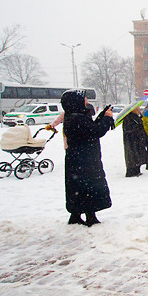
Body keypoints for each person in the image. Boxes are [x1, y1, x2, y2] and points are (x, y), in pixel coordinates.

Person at [61, 89, 114, 226]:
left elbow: (91, 127)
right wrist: (107, 118)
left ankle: (76, 215)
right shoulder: (77, 118)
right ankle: (90, 216)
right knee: (89, 187)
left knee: (78, 188)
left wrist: (102, 115)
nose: (86, 101)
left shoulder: (73, 116)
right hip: (85, 160)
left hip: (78, 159)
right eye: (83, 99)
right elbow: (96, 131)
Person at [122, 106, 147, 177]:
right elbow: (128, 129)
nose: (139, 111)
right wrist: (136, 129)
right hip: (132, 140)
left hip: (137, 139)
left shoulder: (136, 117)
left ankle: (136, 170)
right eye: (137, 109)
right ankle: (131, 171)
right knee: (132, 155)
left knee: (137, 154)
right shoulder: (129, 118)